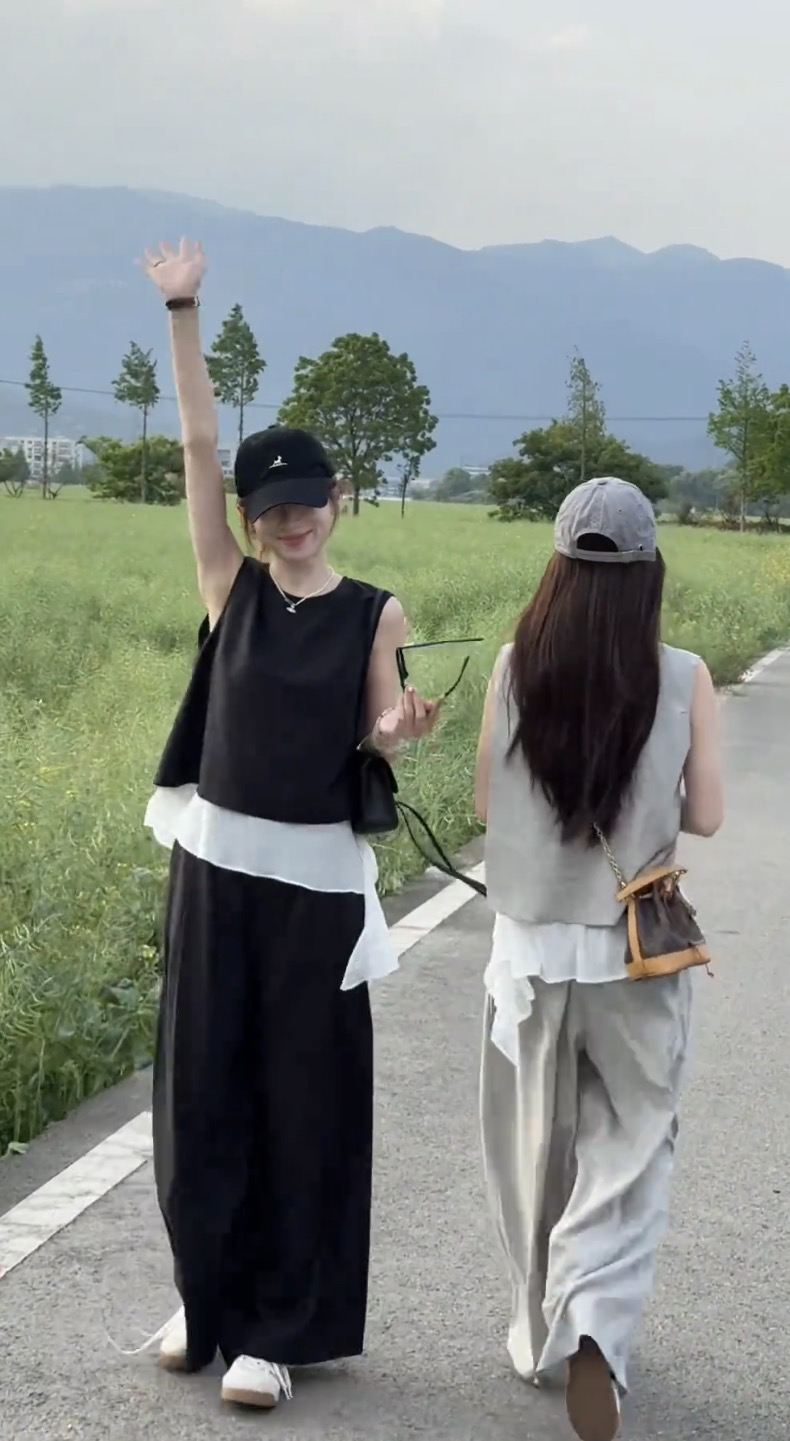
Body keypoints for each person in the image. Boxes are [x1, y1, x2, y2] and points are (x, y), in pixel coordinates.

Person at [138, 239, 441, 1410]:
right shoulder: (232, 585)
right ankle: (204, 1296)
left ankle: (275, 1329)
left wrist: (399, 729)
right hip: (216, 870)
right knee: (199, 1090)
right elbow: (197, 445)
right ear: (250, 519)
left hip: (315, 888)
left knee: (299, 1102)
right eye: (271, 510)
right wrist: (183, 310)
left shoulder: (375, 611)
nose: (291, 523)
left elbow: (376, 732)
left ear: (336, 499)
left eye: (306, 503)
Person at [474, 478, 723, 1441]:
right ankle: (592, 1323)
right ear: (649, 572)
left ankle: (535, 1326)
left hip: (529, 954)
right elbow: (706, 814)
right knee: (630, 1147)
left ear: (558, 570)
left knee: (532, 1148)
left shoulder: (512, 668)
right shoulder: (684, 675)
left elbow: (489, 806)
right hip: (633, 954)